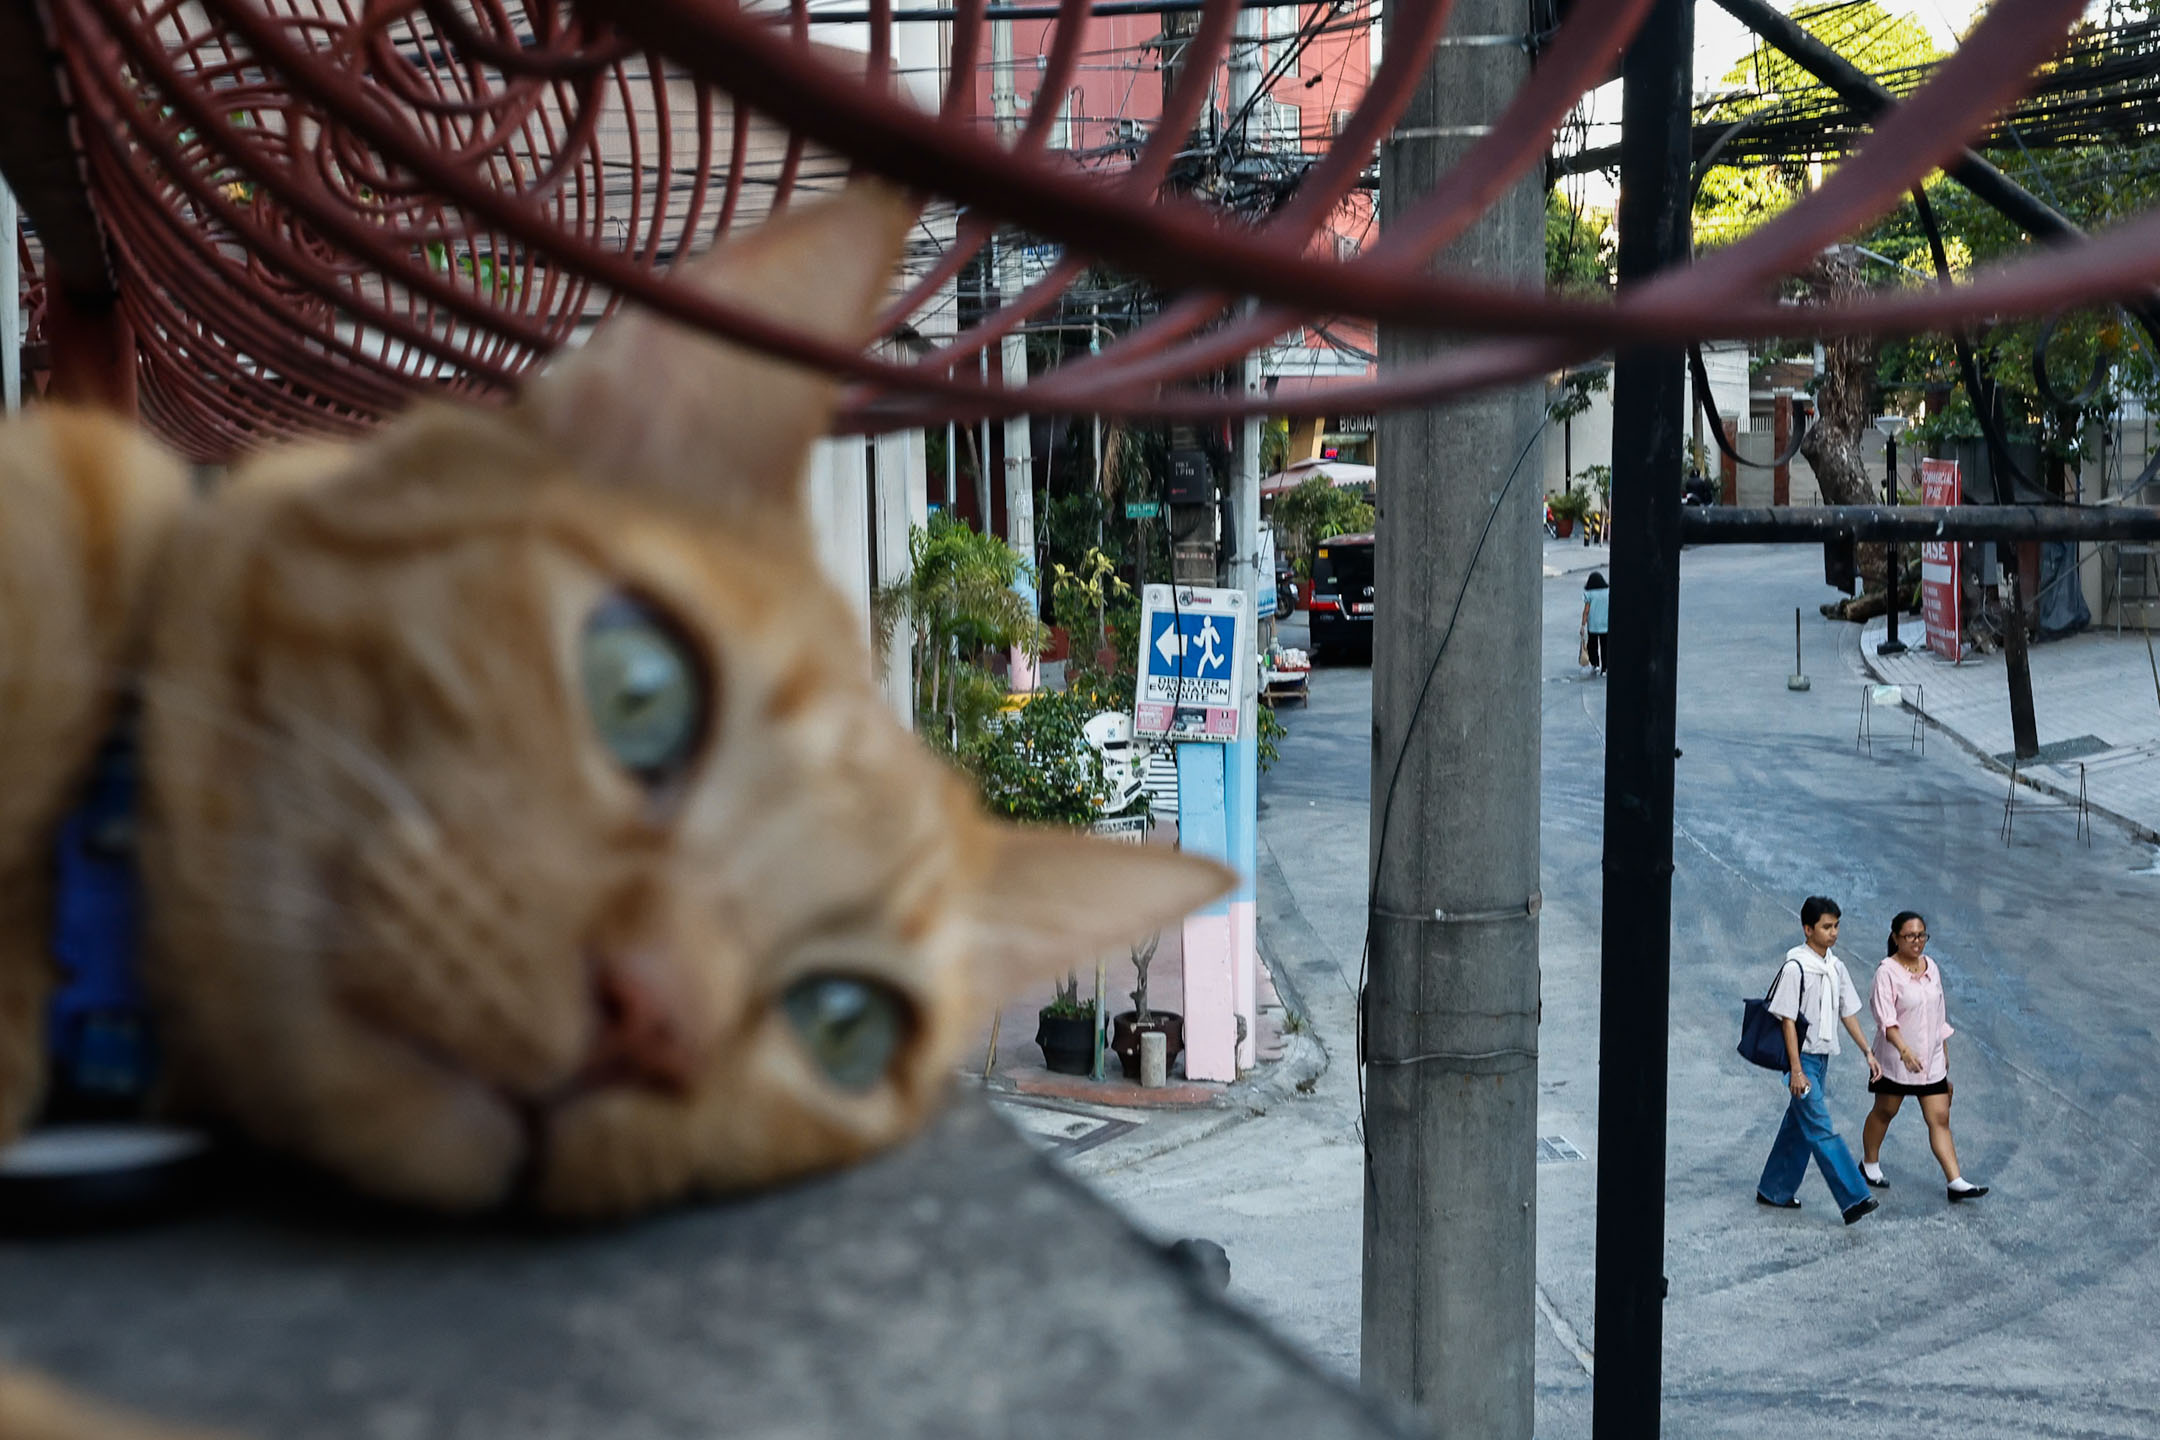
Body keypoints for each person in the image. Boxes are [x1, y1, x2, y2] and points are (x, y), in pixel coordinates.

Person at [1756, 896, 1883, 1225]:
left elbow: (1847, 1012)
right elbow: (1786, 1020)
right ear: (1807, 928)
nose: (1833, 933)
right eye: (1827, 927)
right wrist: (1796, 1070)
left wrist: (1867, 1051)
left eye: (1836, 926)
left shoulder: (1834, 967)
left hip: (1822, 1060)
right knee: (1821, 1127)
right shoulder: (1795, 967)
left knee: (1798, 1127)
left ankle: (1774, 1190)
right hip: (1802, 1061)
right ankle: (1854, 1197)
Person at [1860, 911, 1988, 1202]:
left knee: (1940, 1117)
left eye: (1921, 936)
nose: (1917, 942)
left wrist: (1942, 1048)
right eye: (1909, 936)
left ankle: (1955, 1181)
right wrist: (1904, 1050)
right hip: (1896, 1063)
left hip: (1930, 1062)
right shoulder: (1886, 972)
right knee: (1885, 1111)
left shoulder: (1932, 967)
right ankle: (1869, 1163)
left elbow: (1939, 1012)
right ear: (1895, 937)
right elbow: (1886, 1019)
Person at [1580, 572, 1610, 675]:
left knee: (1592, 646)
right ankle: (1605, 668)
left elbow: (1586, 610)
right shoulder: (1608, 592)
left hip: (1593, 625)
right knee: (1605, 646)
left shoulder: (1590, 593)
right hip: (1605, 624)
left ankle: (1595, 665)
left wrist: (1583, 625)